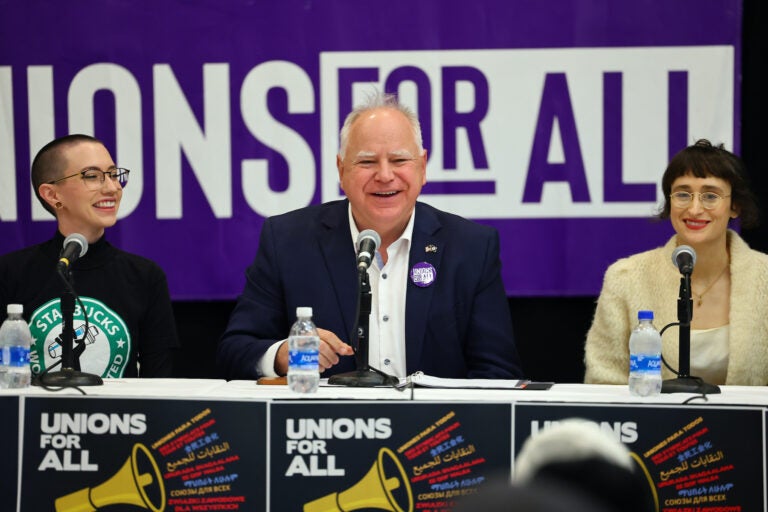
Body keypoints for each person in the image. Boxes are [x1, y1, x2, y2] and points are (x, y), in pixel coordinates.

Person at [217, 91, 522, 381]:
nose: (385, 175)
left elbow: (498, 373)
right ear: (341, 169)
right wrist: (285, 355)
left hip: (436, 430)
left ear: (423, 167)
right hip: (328, 427)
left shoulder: (471, 248)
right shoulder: (287, 241)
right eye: (367, 162)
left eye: (400, 160)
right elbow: (235, 350)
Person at [585, 139, 768, 386]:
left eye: (710, 196)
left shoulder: (764, 278)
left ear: (734, 205)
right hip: (651, 424)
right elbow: (603, 381)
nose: (694, 209)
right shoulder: (625, 278)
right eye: (683, 194)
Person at [0, 134, 179, 378]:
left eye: (114, 174)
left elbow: (160, 387)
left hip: (121, 417)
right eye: (92, 176)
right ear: (52, 195)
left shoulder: (145, 277)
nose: (112, 188)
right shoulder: (10, 273)